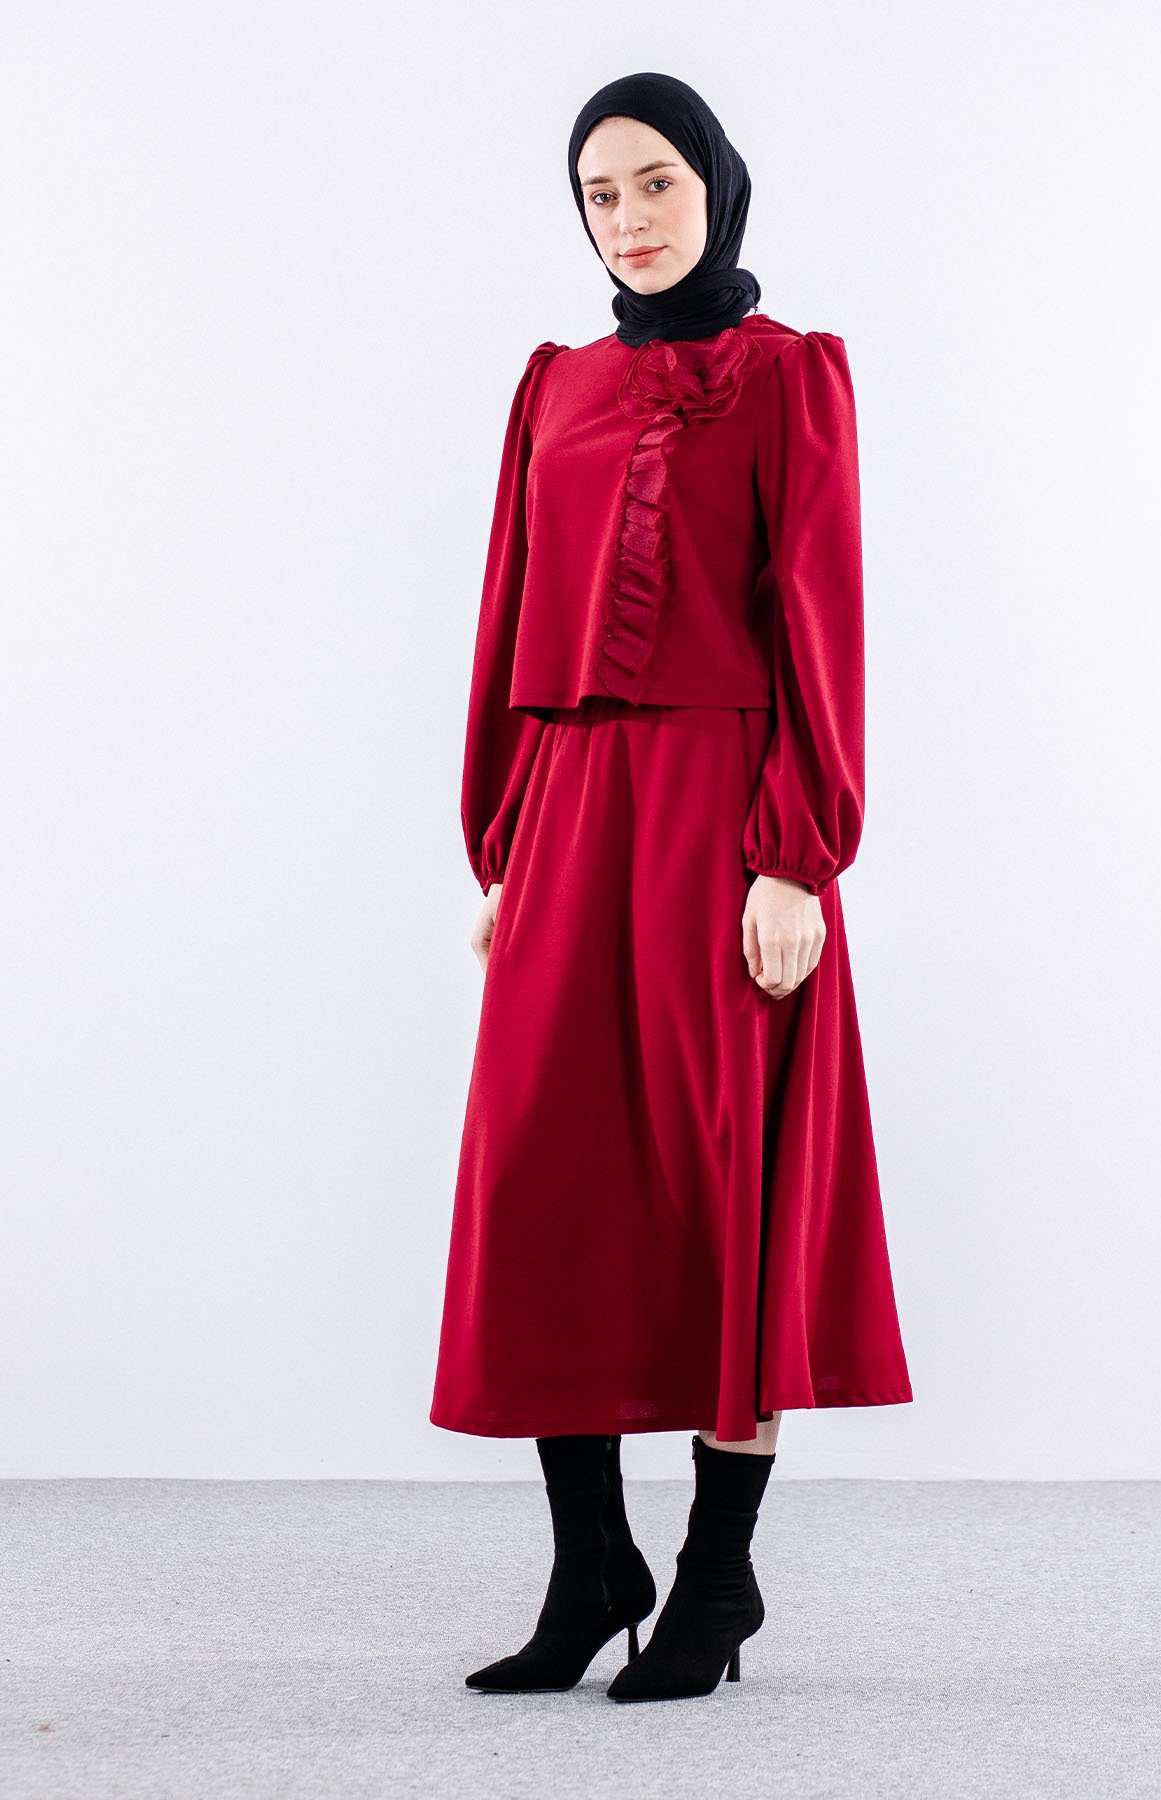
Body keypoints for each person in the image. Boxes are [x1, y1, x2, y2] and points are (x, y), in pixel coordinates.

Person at [429, 70, 913, 1703]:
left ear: (717, 187)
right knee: (547, 1176)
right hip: (573, 811)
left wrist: (797, 856)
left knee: (725, 1184)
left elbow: (819, 620)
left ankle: (715, 1578)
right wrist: (506, 841)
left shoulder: (792, 378)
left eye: (656, 184)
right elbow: (511, 620)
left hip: (725, 813)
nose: (628, 220)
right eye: (599, 194)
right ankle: (591, 1567)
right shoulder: (553, 386)